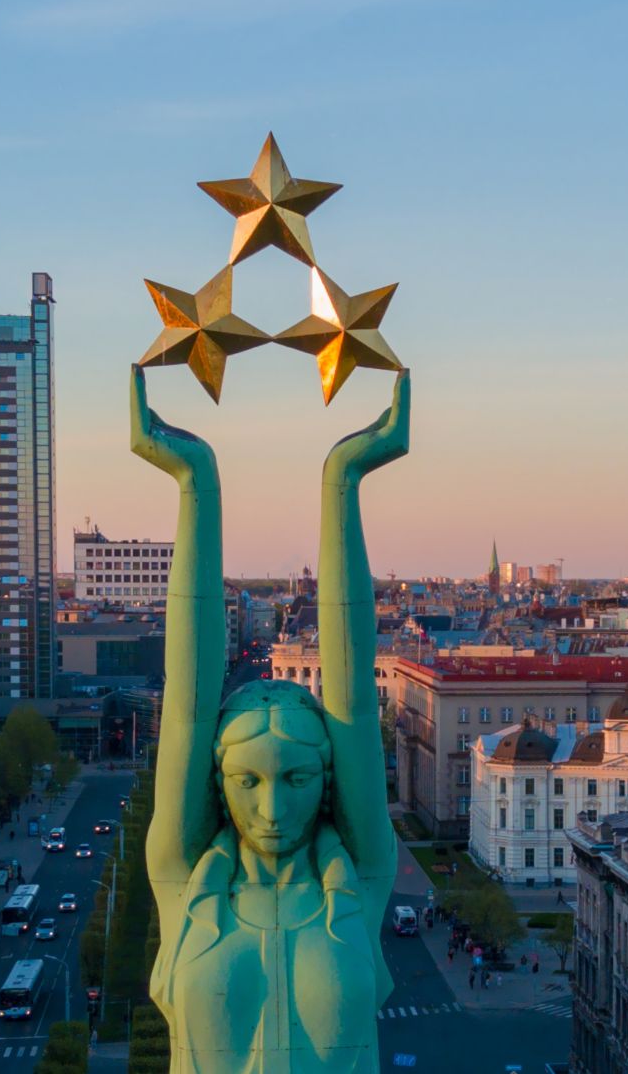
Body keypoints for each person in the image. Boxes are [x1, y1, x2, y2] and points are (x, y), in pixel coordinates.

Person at [137, 368, 410, 1072]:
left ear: (326, 780)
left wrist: (342, 479)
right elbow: (189, 700)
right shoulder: (184, 879)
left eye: (295, 777)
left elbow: (350, 695)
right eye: (247, 782)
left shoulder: (360, 879)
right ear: (217, 783)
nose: (272, 806)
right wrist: (196, 480)